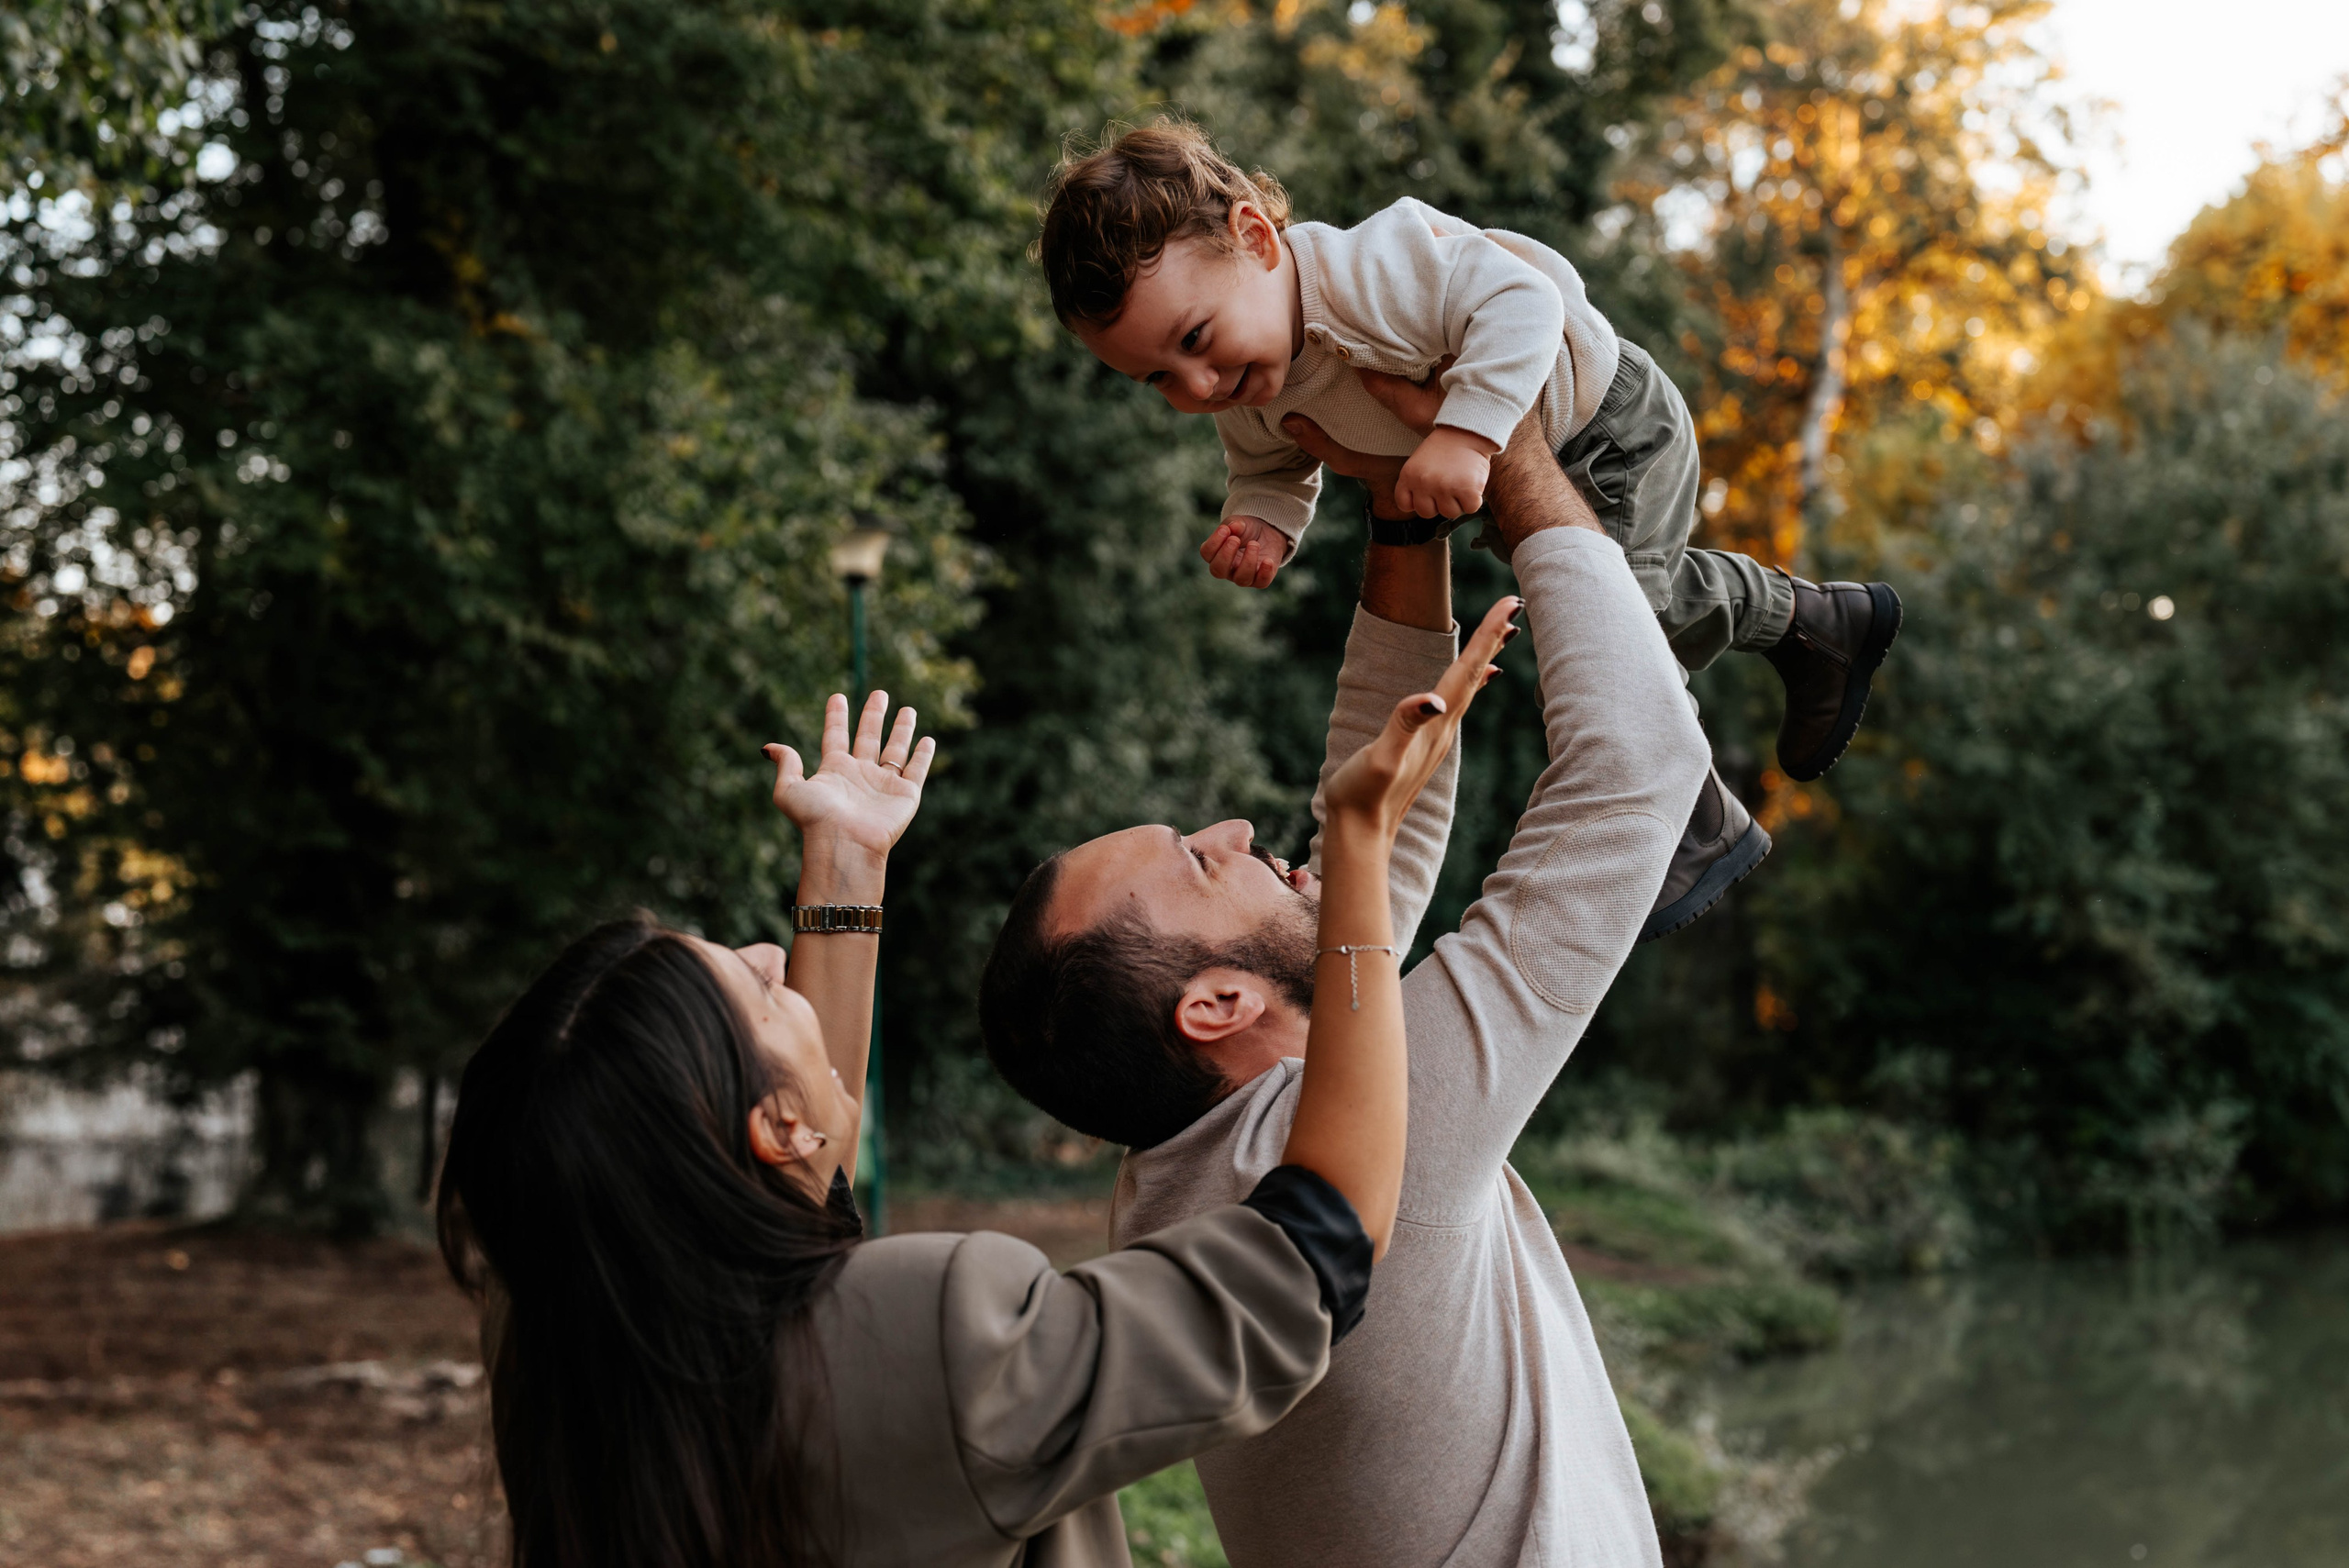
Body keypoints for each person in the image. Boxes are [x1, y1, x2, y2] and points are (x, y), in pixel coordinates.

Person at [433, 595, 1520, 1568]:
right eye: (756, 988)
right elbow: (1306, 1256)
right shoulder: (944, 1339)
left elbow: (796, 1174)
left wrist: (846, 867)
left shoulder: (570, 1343)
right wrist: (1359, 853)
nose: (770, 958)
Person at [981, 370, 1720, 1568]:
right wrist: (1520, 460)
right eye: (1193, 860)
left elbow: (1373, 859)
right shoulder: (1391, 1134)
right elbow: (1643, 763)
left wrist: (1404, 509)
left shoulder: (1180, 1176)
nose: (1228, 831)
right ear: (1216, 1005)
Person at [1037, 118, 1904, 938]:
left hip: (1601, 425)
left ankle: (1689, 817)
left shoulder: (1366, 271)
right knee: (1662, 602)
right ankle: (1815, 625)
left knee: (1600, 637)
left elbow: (1522, 299)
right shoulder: (1248, 380)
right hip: (1513, 479)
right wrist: (1262, 525)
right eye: (1159, 379)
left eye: (1196, 338)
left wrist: (1465, 431)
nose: (1199, 385)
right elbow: (1274, 467)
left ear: (1257, 239)